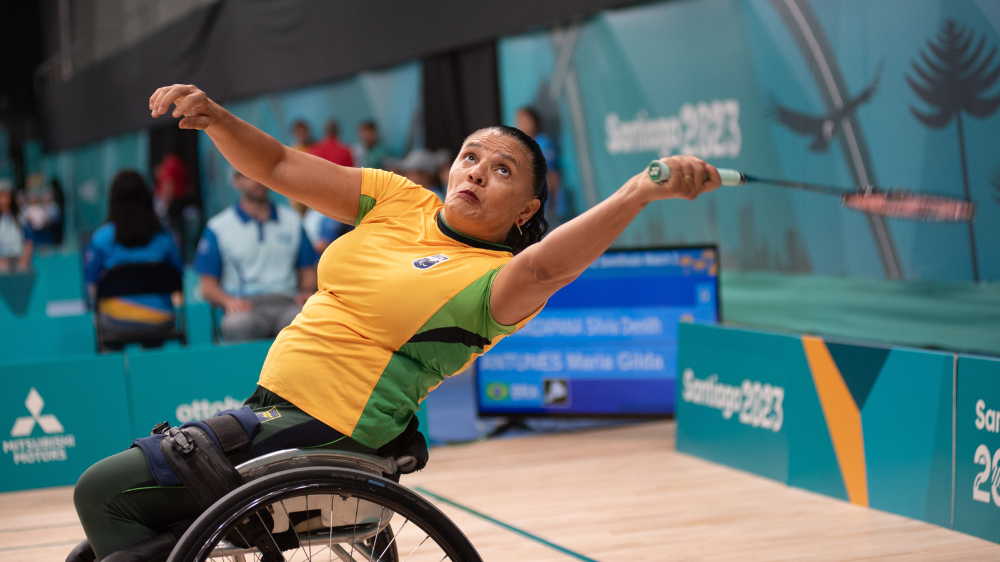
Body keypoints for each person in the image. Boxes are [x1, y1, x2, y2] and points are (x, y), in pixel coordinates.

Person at [69, 83, 720, 561]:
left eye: (502, 172)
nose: (477, 173)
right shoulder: (399, 198)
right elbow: (275, 166)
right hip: (270, 413)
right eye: (471, 157)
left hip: (330, 427)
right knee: (115, 542)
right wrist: (214, 118)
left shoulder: (496, 282)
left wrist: (638, 192)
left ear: (526, 211)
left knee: (102, 492)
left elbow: (550, 268)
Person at [193, 169, 319, 342]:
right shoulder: (217, 227)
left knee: (306, 320)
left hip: (287, 302)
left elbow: (308, 272)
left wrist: (306, 292)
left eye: (261, 172)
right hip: (245, 305)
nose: (257, 180)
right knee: (238, 325)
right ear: (236, 181)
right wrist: (228, 301)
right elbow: (207, 286)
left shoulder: (293, 221)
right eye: (248, 174)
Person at [83, 170, 184, 342]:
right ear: (147, 197)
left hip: (115, 321)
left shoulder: (100, 239)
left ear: (112, 200)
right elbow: (178, 277)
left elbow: (91, 287)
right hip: (160, 318)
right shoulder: (165, 238)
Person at [516, 107, 573, 226]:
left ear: (535, 122)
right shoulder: (522, 146)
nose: (522, 126)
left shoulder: (543, 144)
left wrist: (554, 205)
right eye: (519, 122)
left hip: (544, 210)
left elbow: (552, 176)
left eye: (526, 122)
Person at [0, 179, 32, 273]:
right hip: (2, 260)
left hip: (19, 258)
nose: (4, 199)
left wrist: (24, 259)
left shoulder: (21, 217)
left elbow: (29, 239)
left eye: (7, 195)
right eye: (2, 195)